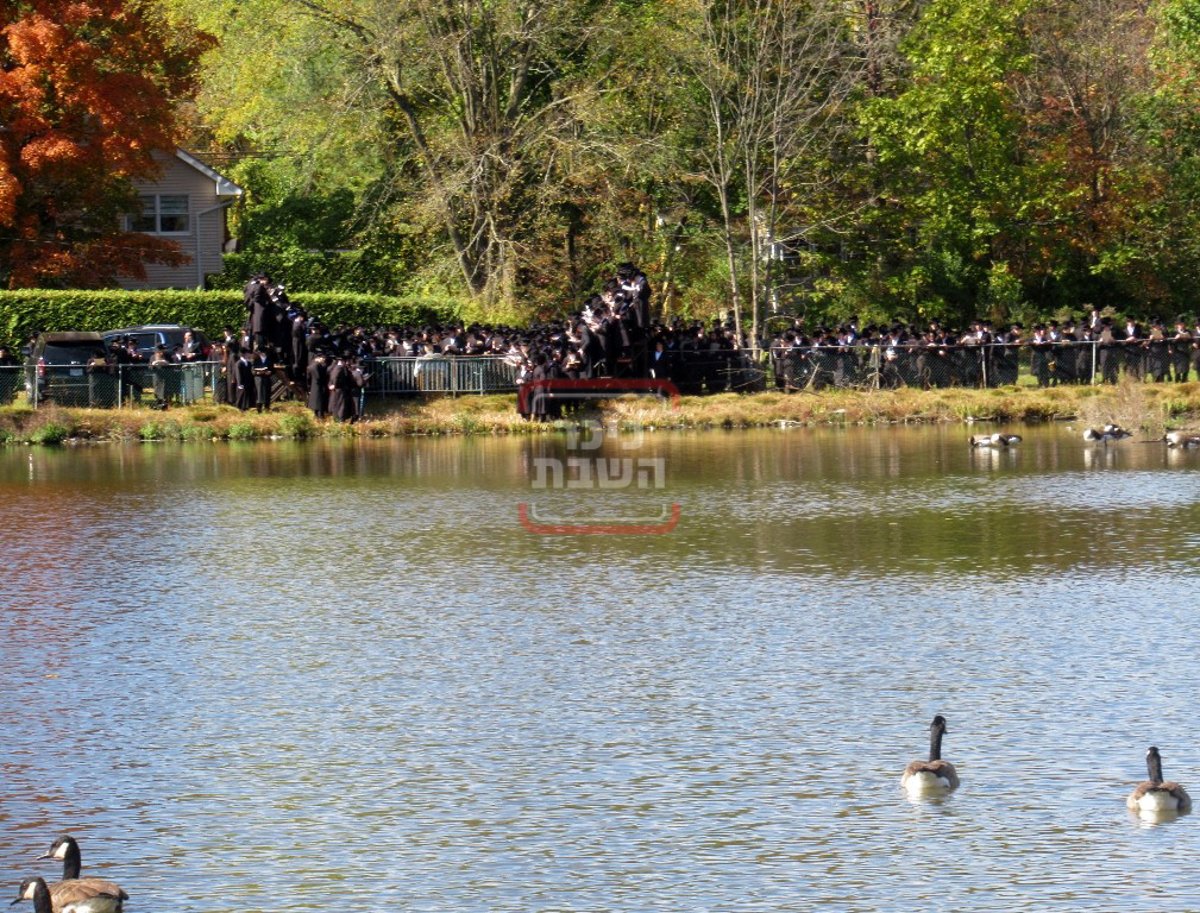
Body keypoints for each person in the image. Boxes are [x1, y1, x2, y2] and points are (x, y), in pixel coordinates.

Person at [307, 354, 329, 419]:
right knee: (319, 402)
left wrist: (309, 387)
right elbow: (318, 377)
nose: (324, 360)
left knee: (316, 401)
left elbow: (308, 378)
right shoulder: (316, 366)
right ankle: (320, 416)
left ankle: (316, 415)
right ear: (318, 358)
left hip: (314, 386)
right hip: (319, 386)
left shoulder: (311, 365)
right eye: (322, 358)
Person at [251, 348, 274, 412]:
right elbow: (252, 370)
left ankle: (267, 407)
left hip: (267, 378)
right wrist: (257, 372)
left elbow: (272, 369)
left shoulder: (269, 359)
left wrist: (270, 372)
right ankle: (259, 408)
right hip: (258, 378)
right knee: (259, 393)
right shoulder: (255, 359)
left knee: (267, 393)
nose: (262, 354)